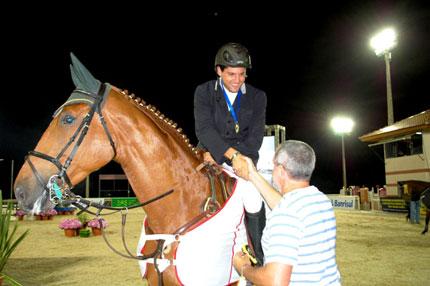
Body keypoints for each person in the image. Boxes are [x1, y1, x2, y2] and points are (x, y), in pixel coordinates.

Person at [193, 42, 267, 264]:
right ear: (219, 71)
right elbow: (204, 129)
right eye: (231, 74)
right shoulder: (203, 92)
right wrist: (217, 154)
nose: (237, 80)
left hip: (243, 160)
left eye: (242, 74)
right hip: (208, 154)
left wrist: (234, 158)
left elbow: (255, 139)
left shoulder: (258, 97)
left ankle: (258, 257)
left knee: (253, 198)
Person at [233, 140, 341, 285]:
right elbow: (283, 205)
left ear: (281, 171)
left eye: (274, 165)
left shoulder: (286, 214)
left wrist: (243, 268)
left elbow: (275, 281)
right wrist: (253, 175)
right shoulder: (320, 200)